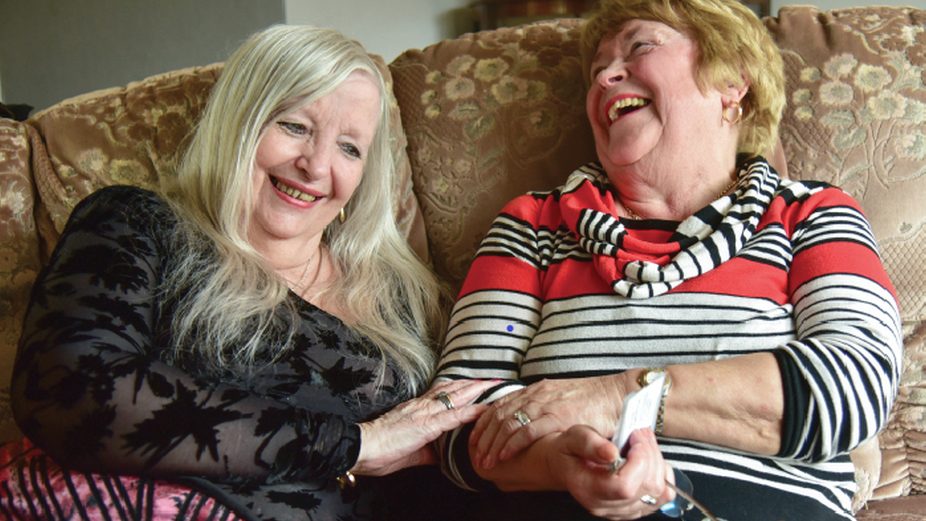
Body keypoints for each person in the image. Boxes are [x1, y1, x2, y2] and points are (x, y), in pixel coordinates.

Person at [433, 0, 903, 520]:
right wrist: (559, 465)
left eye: (640, 46)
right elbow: (456, 421)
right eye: (596, 72)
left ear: (732, 83)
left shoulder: (812, 214)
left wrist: (617, 397)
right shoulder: (533, 223)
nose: (607, 77)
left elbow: (858, 383)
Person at [8, 25, 493, 520]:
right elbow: (70, 388)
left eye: (350, 148)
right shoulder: (138, 225)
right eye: (295, 127)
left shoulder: (407, 295)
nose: (316, 165)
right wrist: (356, 445)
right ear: (240, 122)